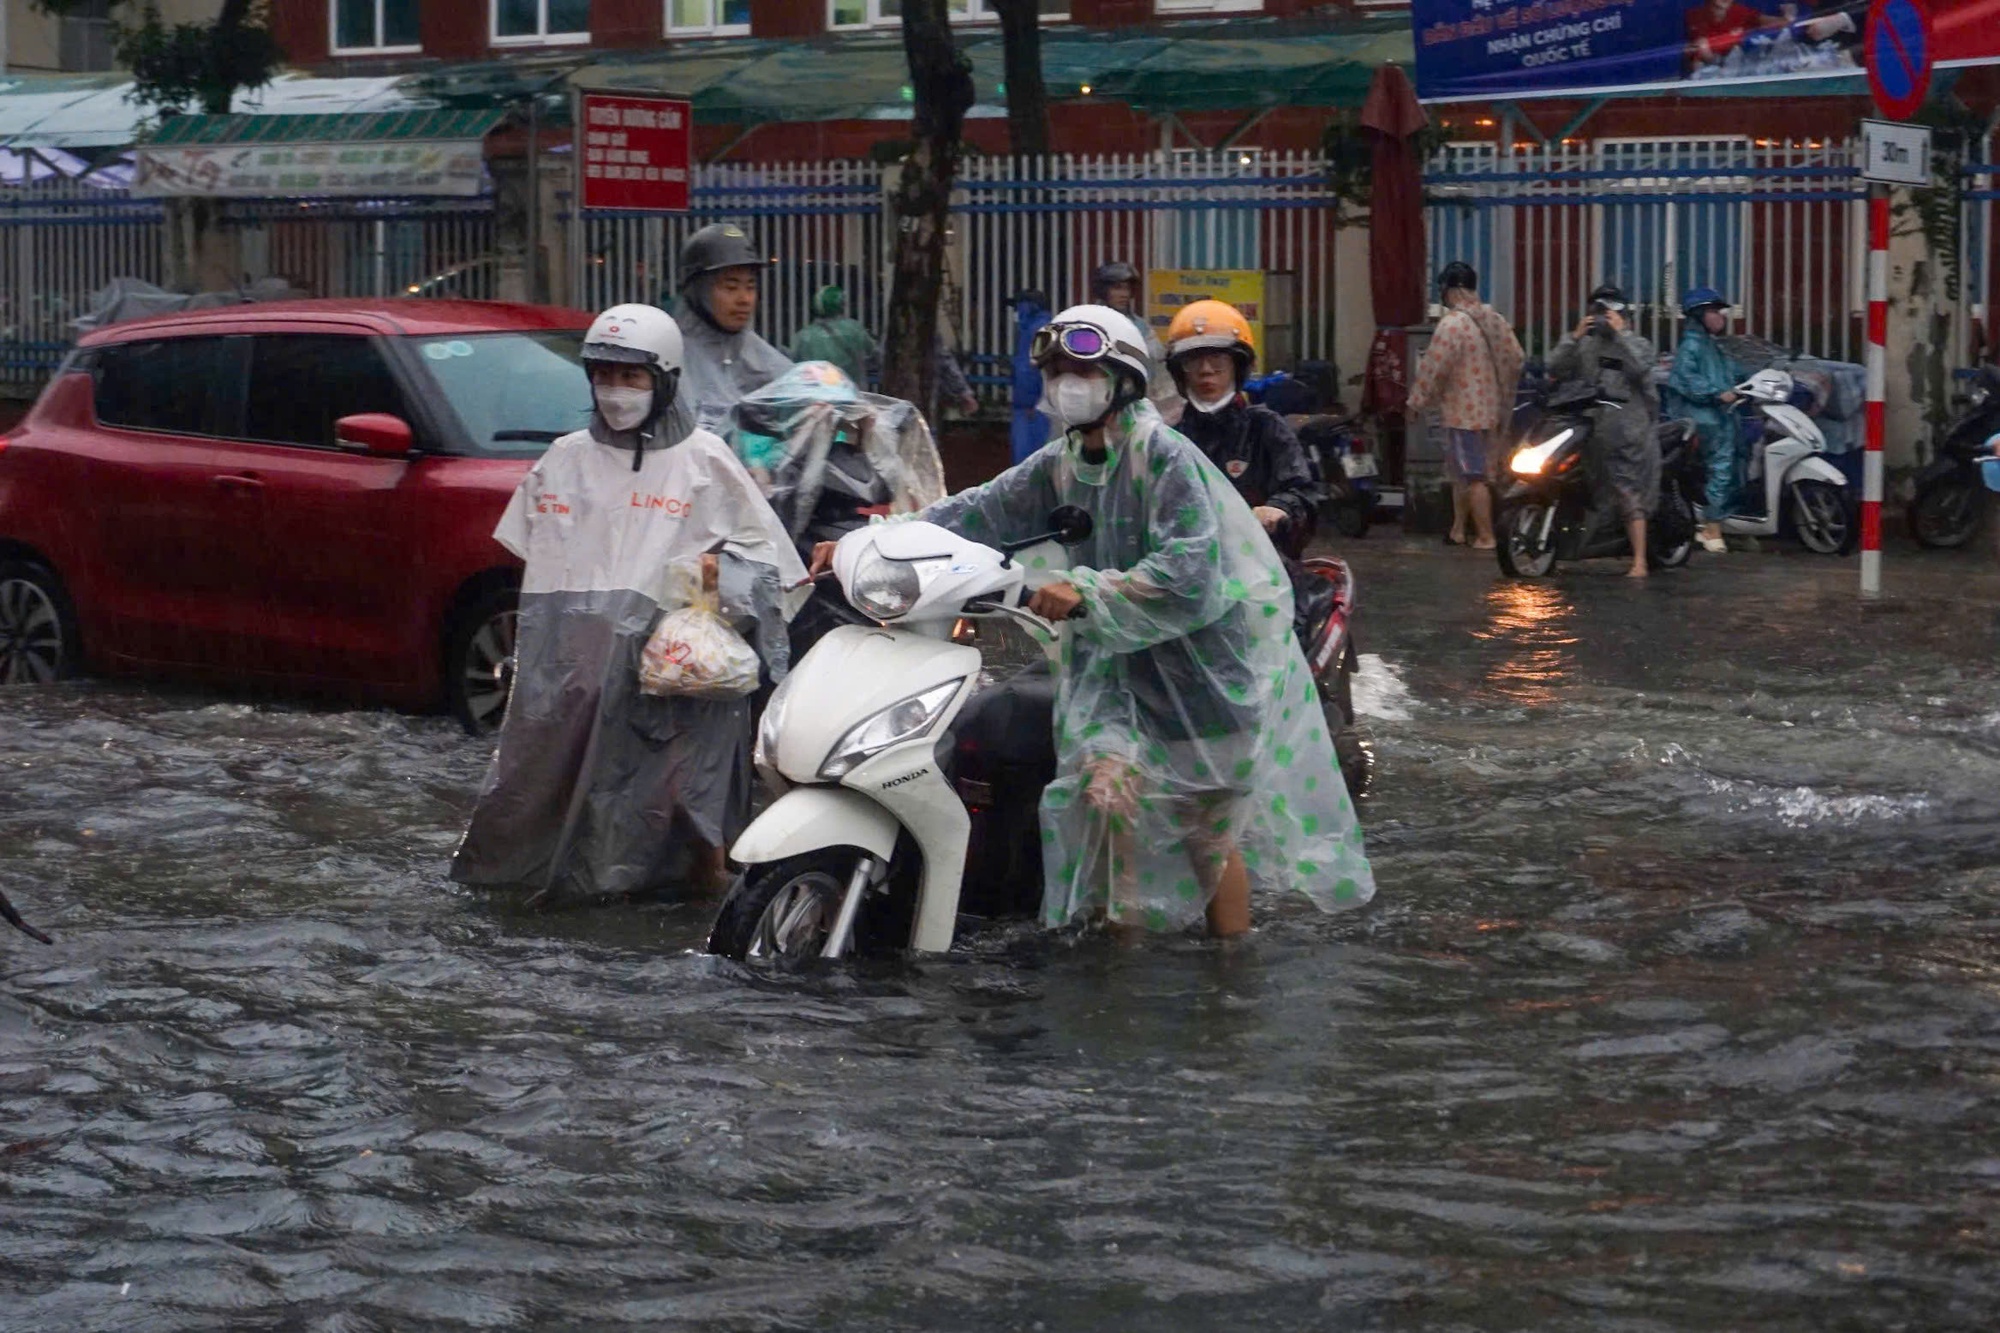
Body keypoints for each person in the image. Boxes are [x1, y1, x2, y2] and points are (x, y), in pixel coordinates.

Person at [810, 304, 1374, 938]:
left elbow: (1190, 571)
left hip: (1199, 675)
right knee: (1104, 805)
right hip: (1110, 670)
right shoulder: (1062, 462)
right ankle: (1117, 967)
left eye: (1079, 369)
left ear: (1122, 378)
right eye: (1054, 371)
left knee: (1204, 836)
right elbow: (980, 511)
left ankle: (1229, 976)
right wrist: (875, 540)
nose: (1064, 384)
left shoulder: (1166, 456)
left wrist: (1086, 591)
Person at [451, 304, 808, 903]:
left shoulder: (703, 460)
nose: (617, 392)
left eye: (632, 378)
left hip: (673, 668)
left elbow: (774, 569)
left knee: (685, 794)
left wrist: (720, 581)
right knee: (548, 780)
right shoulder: (564, 459)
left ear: (664, 379)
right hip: (572, 668)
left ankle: (696, 891)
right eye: (605, 376)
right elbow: (530, 561)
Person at [1162, 298, 1322, 562]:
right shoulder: (1171, 437)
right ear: (1180, 373)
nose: (1206, 371)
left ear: (1238, 366)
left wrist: (1278, 508)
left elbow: (1302, 491)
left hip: (1262, 566)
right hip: (1188, 568)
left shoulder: (1265, 427)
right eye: (1193, 361)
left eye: (1218, 360)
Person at [1406, 262, 1525, 551]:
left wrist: (1416, 403)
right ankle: (1458, 529)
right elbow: (1517, 357)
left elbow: (1434, 368)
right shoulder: (1493, 318)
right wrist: (1499, 389)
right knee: (1462, 473)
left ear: (1453, 289)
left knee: (1474, 476)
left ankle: (1486, 536)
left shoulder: (1452, 324)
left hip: (1463, 413)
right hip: (1492, 411)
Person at [1548, 283, 1661, 579]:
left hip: (1628, 433)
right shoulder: (1585, 344)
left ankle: (1639, 561)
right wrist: (1573, 337)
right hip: (1591, 430)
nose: (1602, 316)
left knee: (1629, 492)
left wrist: (1621, 333)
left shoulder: (1636, 343)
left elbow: (1641, 367)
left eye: (1609, 310)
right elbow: (1555, 366)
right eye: (1598, 310)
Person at [665, 223, 792, 436]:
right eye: (730, 287)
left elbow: (801, 398)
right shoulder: (670, 358)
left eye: (750, 287)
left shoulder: (760, 354)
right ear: (698, 290)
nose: (744, 299)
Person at [1667, 287, 1744, 553]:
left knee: (1725, 470)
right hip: (1705, 419)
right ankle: (1712, 529)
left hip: (1718, 417)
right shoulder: (1691, 346)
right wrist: (1717, 394)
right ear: (1699, 315)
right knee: (1720, 470)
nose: (1720, 317)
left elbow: (1732, 372)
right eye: (1714, 312)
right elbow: (1686, 379)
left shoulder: (1711, 346)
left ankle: (1714, 523)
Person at [1091, 260, 1182, 420]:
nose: (1124, 294)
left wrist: (1171, 351)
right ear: (1103, 290)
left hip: (1134, 400)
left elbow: (1156, 355)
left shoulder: (1139, 325)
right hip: (1098, 401)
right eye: (1117, 288)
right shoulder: (1090, 321)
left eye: (1127, 288)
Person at [787, 285, 875, 385]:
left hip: (816, 392)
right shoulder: (854, 328)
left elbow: (793, 364)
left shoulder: (804, 335)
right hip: (850, 389)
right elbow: (873, 353)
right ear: (841, 305)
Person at [1008, 288, 1054, 464]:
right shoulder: (1044, 327)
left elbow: (1028, 370)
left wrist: (1027, 402)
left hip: (1031, 407)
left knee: (1027, 461)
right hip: (1044, 403)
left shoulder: (1034, 330)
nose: (1016, 312)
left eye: (1018, 307)